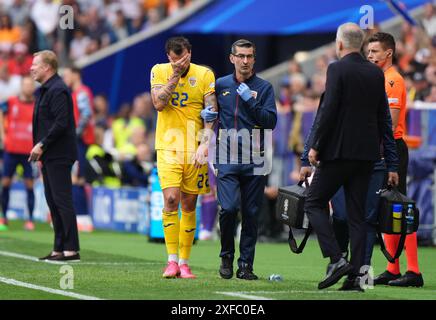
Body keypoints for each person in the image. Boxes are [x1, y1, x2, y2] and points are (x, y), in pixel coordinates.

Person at [302, 23, 392, 291]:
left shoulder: (337, 68)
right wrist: (390, 159)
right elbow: (382, 118)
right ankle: (358, 278)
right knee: (358, 217)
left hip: (338, 152)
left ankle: (336, 259)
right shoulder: (375, 73)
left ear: (339, 44)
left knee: (313, 202)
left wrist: (315, 146)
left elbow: (329, 110)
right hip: (366, 156)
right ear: (362, 45)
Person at [208, 39, 277, 280]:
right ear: (232, 58)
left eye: (249, 56)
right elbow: (210, 115)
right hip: (226, 156)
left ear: (254, 59)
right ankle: (226, 255)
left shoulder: (265, 87)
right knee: (227, 209)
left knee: (251, 214)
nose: (245, 61)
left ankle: (245, 265)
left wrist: (251, 99)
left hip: (255, 159)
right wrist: (204, 116)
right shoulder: (221, 85)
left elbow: (270, 122)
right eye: (241, 56)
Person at [150, 36, 217, 279]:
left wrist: (205, 143)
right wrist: (175, 75)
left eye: (183, 57)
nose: (179, 62)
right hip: (167, 147)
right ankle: (171, 261)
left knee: (189, 204)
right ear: (169, 57)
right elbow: (158, 103)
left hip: (194, 149)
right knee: (170, 199)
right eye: (174, 59)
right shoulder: (159, 71)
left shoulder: (204, 75)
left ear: (190, 52)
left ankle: (185, 262)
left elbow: (212, 111)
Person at [367, 32, 424, 287]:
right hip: (380, 148)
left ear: (388, 52)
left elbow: (388, 122)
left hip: (391, 148)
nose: (370, 56)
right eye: (369, 52)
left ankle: (414, 272)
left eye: (375, 51)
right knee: (386, 207)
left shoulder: (393, 80)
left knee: (400, 206)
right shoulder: (379, 78)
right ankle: (393, 268)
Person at [29, 50, 80, 262]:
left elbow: (61, 123)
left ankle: (72, 250)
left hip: (59, 153)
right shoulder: (45, 89)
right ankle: (59, 248)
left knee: (62, 200)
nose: (31, 68)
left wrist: (41, 144)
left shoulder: (58, 89)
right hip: (50, 155)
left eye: (35, 64)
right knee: (52, 201)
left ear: (47, 67)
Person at [0, 75, 36, 231]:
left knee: (29, 184)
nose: (28, 87)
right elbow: (1, 113)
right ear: (21, 86)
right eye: (26, 85)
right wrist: (3, 135)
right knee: (6, 182)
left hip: (29, 152)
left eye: (30, 85)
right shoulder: (11, 102)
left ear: (33, 87)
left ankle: (30, 220)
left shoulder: (37, 104)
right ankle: (4, 217)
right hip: (12, 150)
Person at [63, 66, 95, 232]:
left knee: (77, 178)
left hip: (80, 141)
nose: (65, 78)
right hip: (79, 141)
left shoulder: (81, 92)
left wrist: (74, 134)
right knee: (76, 178)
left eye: (67, 74)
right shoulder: (76, 93)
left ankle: (82, 218)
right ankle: (81, 217)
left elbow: (86, 114)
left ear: (75, 75)